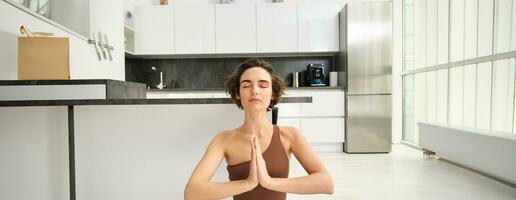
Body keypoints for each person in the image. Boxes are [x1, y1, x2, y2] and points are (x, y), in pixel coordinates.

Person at [184, 58, 334, 200]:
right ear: (237, 94)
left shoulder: (290, 135)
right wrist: (247, 183)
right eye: (246, 85)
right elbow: (192, 192)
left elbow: (326, 183)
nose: (254, 90)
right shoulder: (223, 140)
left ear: (273, 93)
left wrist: (269, 182)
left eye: (263, 85)